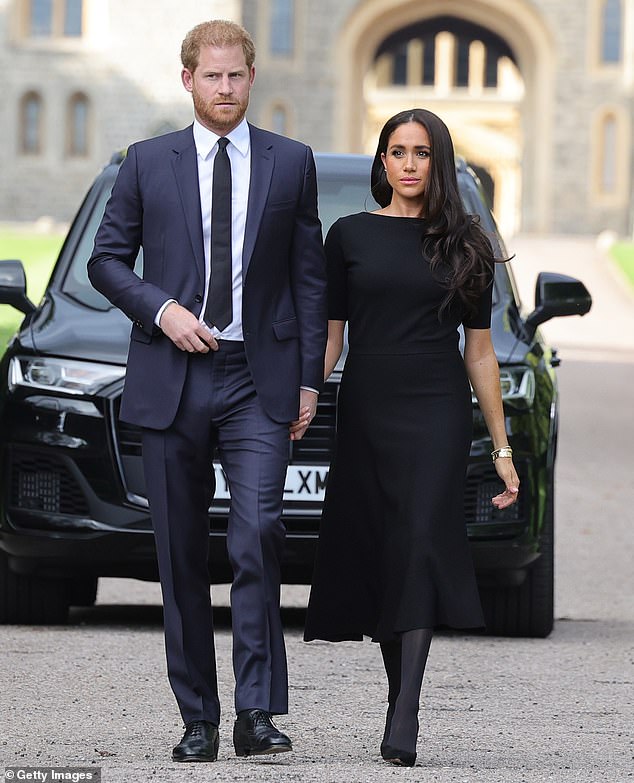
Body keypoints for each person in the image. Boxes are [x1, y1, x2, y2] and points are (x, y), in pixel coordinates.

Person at [88, 20, 327, 763]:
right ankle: (198, 716)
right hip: (172, 375)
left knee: (257, 533)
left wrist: (311, 377)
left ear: (252, 79)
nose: (225, 89)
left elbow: (308, 277)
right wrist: (161, 309)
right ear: (187, 79)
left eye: (237, 76)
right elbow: (105, 260)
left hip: (259, 377)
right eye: (212, 76)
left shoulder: (292, 163)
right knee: (181, 553)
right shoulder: (144, 162)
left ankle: (256, 713)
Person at [303, 108, 520, 767]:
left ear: (438, 162)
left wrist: (503, 448)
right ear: (381, 161)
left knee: (422, 541)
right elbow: (331, 335)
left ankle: (406, 710)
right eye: (395, 151)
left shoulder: (466, 243)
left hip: (435, 407)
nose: (406, 163)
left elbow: (479, 353)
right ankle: (400, 694)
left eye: (420, 152)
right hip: (367, 403)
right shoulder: (348, 236)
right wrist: (303, 396)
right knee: (384, 550)